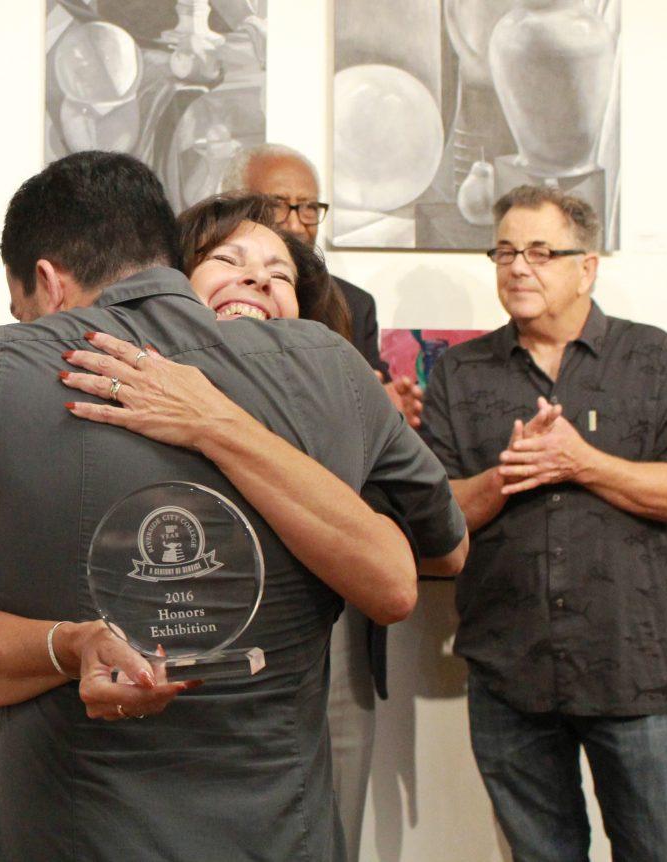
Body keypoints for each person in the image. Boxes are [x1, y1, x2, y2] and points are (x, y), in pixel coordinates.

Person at [0, 153, 468, 861]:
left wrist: (219, 422)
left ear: (47, 282)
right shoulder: (332, 364)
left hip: (75, 831)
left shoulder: (8, 367)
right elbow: (445, 544)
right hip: (278, 833)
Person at [421, 185, 667, 862]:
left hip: (633, 664)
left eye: (539, 252)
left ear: (587, 267)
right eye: (503, 252)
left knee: (664, 852)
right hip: (509, 667)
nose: (517, 267)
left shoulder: (652, 359)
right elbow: (434, 516)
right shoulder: (462, 374)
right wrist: (505, 477)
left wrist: (582, 463)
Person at [223, 143, 421, 859]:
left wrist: (381, 413)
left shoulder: (351, 307)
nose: (301, 222)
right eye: (282, 206)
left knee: (339, 786)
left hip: (334, 568)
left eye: (311, 207)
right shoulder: (199, 300)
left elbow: (369, 448)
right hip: (227, 572)